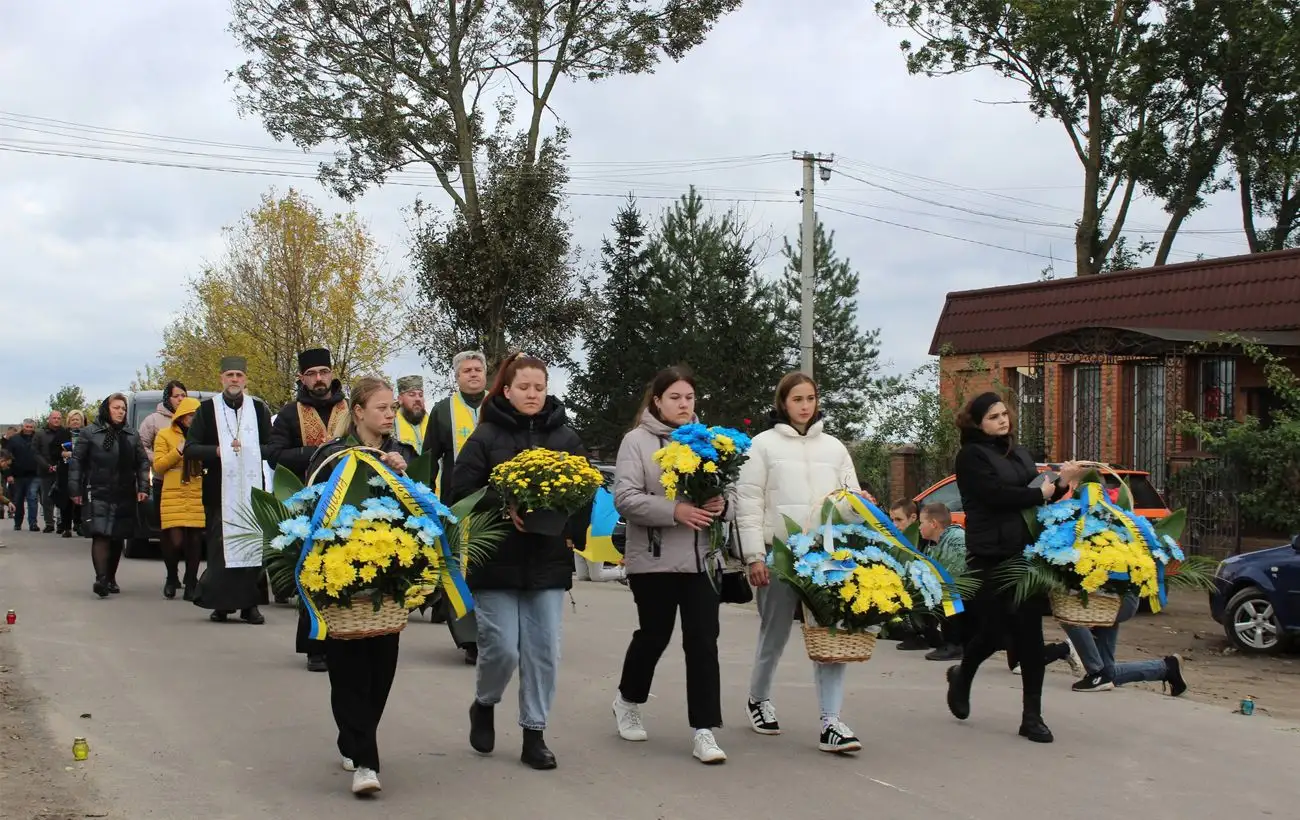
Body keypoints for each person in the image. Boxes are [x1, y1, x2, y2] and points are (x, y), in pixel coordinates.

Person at [451, 352, 584, 771]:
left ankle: (534, 733)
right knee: (502, 649)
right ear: (506, 391)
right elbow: (460, 491)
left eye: (539, 388)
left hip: (547, 561)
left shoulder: (566, 438)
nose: (532, 394)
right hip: (497, 560)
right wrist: (502, 503)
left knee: (544, 651)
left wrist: (567, 530)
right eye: (523, 387)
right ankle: (485, 703)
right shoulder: (486, 437)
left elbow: (585, 491)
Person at [944, 392, 1084, 744]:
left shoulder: (1020, 453)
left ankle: (1031, 716)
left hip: (1024, 553)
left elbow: (1039, 493)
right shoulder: (970, 456)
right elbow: (996, 495)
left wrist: (1063, 482)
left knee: (1029, 634)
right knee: (995, 632)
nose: (1002, 420)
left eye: (1004, 414)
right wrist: (1040, 494)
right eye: (993, 416)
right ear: (977, 423)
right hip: (990, 554)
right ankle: (963, 674)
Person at [611, 365, 732, 765]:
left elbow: (732, 490)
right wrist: (675, 510)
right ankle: (628, 700)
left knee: (702, 641)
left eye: (689, 397)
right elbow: (625, 497)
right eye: (675, 397)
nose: (683, 404)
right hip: (654, 560)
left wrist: (722, 504)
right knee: (654, 635)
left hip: (702, 560)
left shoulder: (710, 441)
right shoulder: (636, 441)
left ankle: (704, 730)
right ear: (657, 401)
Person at [737, 372, 863, 755]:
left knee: (831, 637)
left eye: (810, 398)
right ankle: (758, 699)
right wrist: (754, 555)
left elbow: (850, 499)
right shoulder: (761, 446)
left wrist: (857, 504)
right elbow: (748, 502)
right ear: (783, 403)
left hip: (827, 557)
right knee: (774, 635)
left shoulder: (835, 447)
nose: (805, 406)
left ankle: (831, 722)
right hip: (779, 556)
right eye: (797, 399)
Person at [305, 376, 417, 797]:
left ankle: (353, 738)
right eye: (383, 408)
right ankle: (367, 762)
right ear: (358, 412)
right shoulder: (332, 455)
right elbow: (310, 503)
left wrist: (403, 476)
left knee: (381, 670)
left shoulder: (402, 453)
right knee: (348, 670)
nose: (390, 414)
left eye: (393, 408)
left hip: (390, 573)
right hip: (341, 576)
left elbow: (419, 509)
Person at [267, 347, 349, 671]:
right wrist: (318, 453)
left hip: (348, 500)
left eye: (323, 372)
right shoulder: (290, 413)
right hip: (307, 503)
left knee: (344, 572)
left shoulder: (349, 409)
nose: (318, 379)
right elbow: (274, 454)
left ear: (331, 374)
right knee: (312, 573)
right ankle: (316, 647)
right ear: (302, 378)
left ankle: (343, 643)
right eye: (311, 374)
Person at [186, 356, 274, 625]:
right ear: (221, 378)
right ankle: (221, 604)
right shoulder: (206, 409)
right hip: (218, 491)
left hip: (251, 490)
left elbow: (271, 447)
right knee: (219, 548)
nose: (234, 379)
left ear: (245, 379)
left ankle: (250, 606)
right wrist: (219, 450)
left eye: (239, 375)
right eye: (229, 375)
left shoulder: (258, 410)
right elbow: (190, 449)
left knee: (251, 546)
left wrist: (249, 450)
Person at [424, 351, 489, 664]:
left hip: (495, 504)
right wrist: (426, 499)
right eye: (467, 370)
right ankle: (469, 639)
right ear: (457, 376)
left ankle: (496, 635)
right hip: (456, 505)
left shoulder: (500, 406)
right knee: (460, 569)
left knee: (492, 570)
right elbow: (429, 458)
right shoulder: (441, 411)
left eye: (478, 369)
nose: (473, 374)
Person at [69, 395, 150, 597]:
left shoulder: (131, 434)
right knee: (101, 533)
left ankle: (111, 577)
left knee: (116, 536)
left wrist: (143, 487)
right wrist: (74, 489)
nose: (120, 411)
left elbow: (142, 462)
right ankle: (101, 579)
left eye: (123, 408)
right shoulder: (90, 433)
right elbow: (77, 462)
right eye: (116, 407)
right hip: (97, 489)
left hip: (124, 491)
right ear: (107, 409)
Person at [1062, 595, 1188, 695]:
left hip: (1116, 591)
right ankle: (1166, 668)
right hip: (1108, 591)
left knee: (1067, 613)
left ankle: (1071, 654)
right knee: (1106, 672)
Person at [153, 397, 205, 600]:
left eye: (197, 416)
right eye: (191, 415)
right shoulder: (164, 435)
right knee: (174, 540)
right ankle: (171, 576)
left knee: (195, 540)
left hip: (197, 490)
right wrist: (178, 450)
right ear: (182, 417)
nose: (194, 419)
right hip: (173, 492)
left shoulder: (204, 436)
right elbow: (158, 466)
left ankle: (191, 581)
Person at [918, 503, 967, 662]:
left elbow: (955, 575)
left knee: (948, 591)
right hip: (953, 591)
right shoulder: (933, 544)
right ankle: (943, 640)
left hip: (968, 592)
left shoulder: (957, 539)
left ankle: (955, 644)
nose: (919, 527)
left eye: (921, 523)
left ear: (933, 524)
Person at [33, 410, 71, 534]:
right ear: (49, 419)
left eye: (59, 418)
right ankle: (49, 523)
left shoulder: (65, 433)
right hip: (45, 470)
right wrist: (47, 466)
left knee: (62, 496)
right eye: (54, 418)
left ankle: (61, 522)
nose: (57, 420)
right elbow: (35, 452)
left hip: (61, 469)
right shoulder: (40, 434)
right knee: (46, 498)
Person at [6, 420, 40, 532]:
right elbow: (7, 458)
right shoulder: (14, 440)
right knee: (18, 499)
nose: (28, 429)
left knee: (32, 498)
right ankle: (17, 522)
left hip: (34, 474)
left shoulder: (37, 438)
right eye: (27, 426)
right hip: (17, 475)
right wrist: (9, 474)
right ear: (22, 426)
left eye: (31, 427)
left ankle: (33, 523)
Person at [58, 410, 88, 537]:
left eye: (78, 420)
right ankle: (66, 527)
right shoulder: (62, 434)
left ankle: (79, 524)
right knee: (66, 499)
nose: (75, 422)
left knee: (80, 497)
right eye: (73, 420)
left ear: (82, 422)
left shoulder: (87, 434)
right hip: (66, 470)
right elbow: (53, 451)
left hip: (82, 470)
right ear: (68, 421)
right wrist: (64, 453)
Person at [392, 374, 430, 454]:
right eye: (412, 395)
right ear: (400, 399)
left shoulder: (434, 423)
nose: (418, 399)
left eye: (421, 395)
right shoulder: (390, 425)